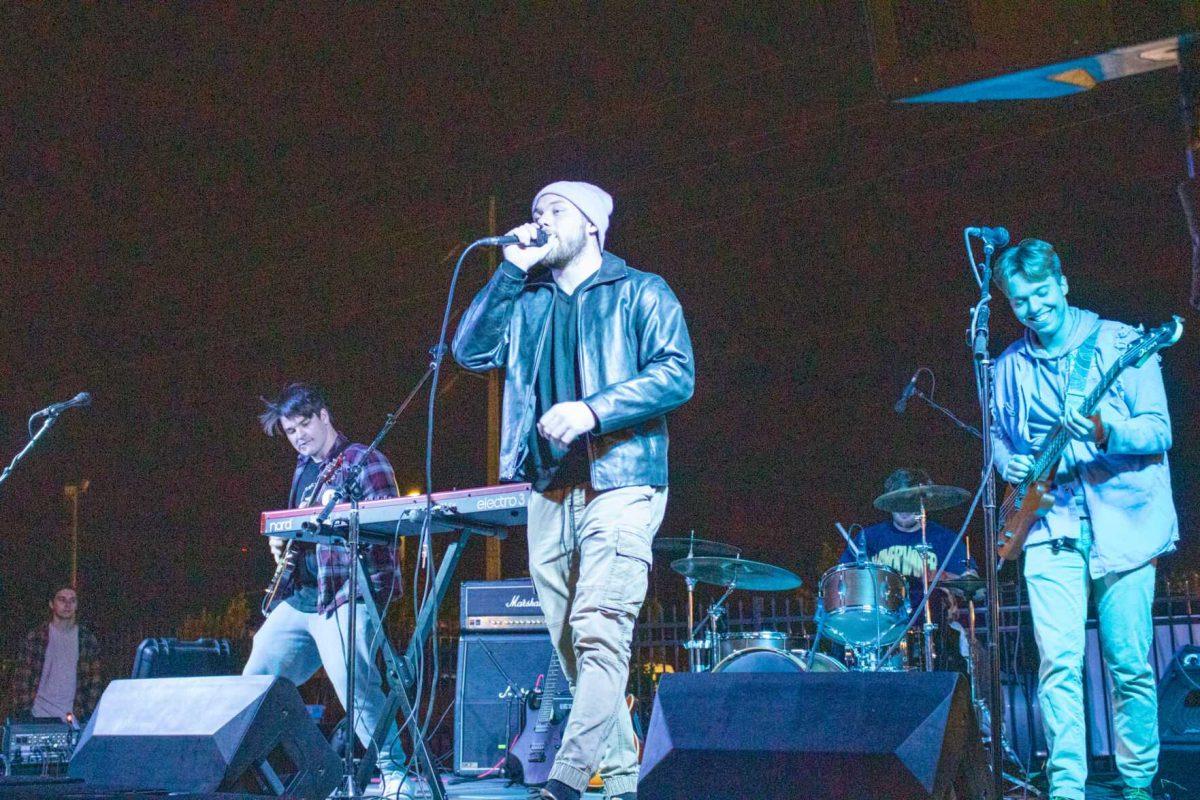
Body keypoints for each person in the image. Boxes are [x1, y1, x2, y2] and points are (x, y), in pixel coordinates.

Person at [453, 181, 694, 800]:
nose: (540, 219)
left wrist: (592, 410)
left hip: (623, 478)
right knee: (567, 639)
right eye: (534, 211)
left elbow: (676, 372)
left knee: (599, 627)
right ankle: (616, 779)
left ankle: (565, 777)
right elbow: (470, 350)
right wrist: (509, 272)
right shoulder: (527, 301)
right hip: (549, 487)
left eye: (554, 210)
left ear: (592, 225)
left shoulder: (642, 289)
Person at [990, 238, 1176, 800]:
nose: (1034, 308)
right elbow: (999, 438)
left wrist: (1104, 430)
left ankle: (1138, 786)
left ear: (1063, 283)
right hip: (1050, 524)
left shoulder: (1123, 342)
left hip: (1124, 519)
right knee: (1058, 668)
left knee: (1129, 667)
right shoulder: (1006, 367)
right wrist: (1010, 461)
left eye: (1042, 293)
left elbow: (1158, 430)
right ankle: (1066, 790)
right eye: (1021, 301)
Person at [244, 383, 413, 797]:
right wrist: (280, 544)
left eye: (305, 424)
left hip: (345, 596)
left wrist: (375, 603)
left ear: (324, 416)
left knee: (352, 683)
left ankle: (396, 773)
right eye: (290, 430)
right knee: (252, 684)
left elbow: (387, 536)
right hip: (301, 598)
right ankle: (309, 769)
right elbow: (300, 533)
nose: (299, 436)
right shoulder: (303, 470)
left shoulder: (364, 462)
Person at [11, 586, 103, 723]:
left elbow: (94, 682)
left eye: (72, 600)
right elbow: (22, 677)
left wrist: (87, 714)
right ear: (51, 604)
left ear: (77, 605)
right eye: (62, 600)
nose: (67, 605)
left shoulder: (86, 639)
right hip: (38, 716)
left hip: (74, 718)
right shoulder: (37, 637)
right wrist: (24, 712)